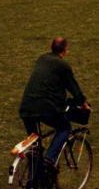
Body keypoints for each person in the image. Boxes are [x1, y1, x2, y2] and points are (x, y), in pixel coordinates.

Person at [19, 36, 90, 170]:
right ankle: (50, 159)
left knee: (35, 144)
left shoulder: (42, 59)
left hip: (26, 107)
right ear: (65, 50)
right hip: (45, 107)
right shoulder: (63, 66)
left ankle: (33, 184)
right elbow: (73, 87)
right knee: (64, 127)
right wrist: (83, 103)